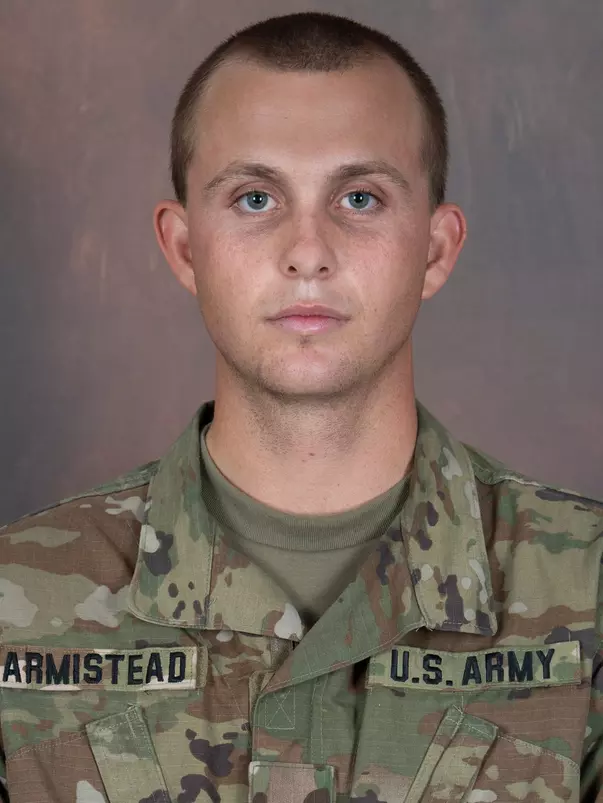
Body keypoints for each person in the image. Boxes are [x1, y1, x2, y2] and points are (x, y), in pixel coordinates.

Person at [0, 10, 601, 803]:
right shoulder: (17, 602)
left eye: (358, 196)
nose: (307, 250)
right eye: (254, 198)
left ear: (435, 248)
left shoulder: (587, 587)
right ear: (184, 247)